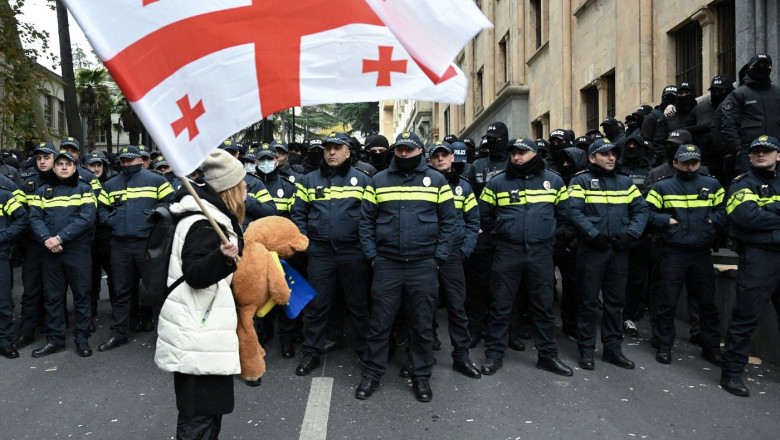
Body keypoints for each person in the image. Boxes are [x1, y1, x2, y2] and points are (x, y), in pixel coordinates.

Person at [356, 131, 457, 402]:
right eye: (399, 150)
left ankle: (421, 376)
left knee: (422, 324)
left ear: (420, 152)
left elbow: (450, 223)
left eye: (408, 150)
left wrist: (438, 257)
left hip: (423, 264)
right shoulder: (378, 181)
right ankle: (372, 374)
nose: (403, 154)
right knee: (379, 323)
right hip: (387, 263)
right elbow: (366, 222)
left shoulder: (436, 181)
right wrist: (372, 256)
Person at [155, 148, 245, 439]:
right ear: (229, 190)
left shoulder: (210, 218)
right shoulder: (205, 224)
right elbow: (195, 275)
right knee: (198, 421)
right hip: (198, 335)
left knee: (206, 416)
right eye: (242, 187)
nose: (246, 194)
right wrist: (222, 257)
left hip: (200, 333)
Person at [478, 138, 573, 377]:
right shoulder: (497, 183)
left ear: (535, 155)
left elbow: (564, 215)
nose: (516, 157)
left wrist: (547, 233)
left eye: (522, 153)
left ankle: (547, 356)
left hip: (540, 252)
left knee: (542, 306)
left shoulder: (553, 181)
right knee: (501, 305)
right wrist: (502, 232)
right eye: (514, 153)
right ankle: (494, 355)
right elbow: (484, 216)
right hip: (507, 252)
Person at [290, 132, 371, 376]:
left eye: (338, 148)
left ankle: (364, 351)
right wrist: (306, 245)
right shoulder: (308, 180)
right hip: (320, 253)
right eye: (328, 148)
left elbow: (370, 217)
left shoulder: (363, 180)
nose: (332, 152)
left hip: (353, 252)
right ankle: (311, 352)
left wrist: (366, 248)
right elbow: (298, 215)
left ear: (348, 152)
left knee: (358, 304)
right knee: (317, 305)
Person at [568, 138, 648, 370]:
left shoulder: (625, 182)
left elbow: (641, 210)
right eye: (605, 154)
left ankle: (613, 349)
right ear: (592, 158)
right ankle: (586, 350)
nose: (612, 157)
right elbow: (573, 211)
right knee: (588, 302)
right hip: (592, 251)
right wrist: (593, 234)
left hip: (618, 251)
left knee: (615, 303)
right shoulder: (580, 180)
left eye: (614, 153)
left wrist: (631, 234)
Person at [645, 144, 725, 366]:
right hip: (673, 251)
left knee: (707, 303)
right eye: (685, 162)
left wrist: (712, 221)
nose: (690, 167)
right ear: (675, 163)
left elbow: (723, 209)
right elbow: (648, 211)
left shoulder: (712, 184)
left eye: (694, 162)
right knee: (667, 301)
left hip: (701, 251)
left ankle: (710, 347)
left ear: (699, 163)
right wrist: (666, 222)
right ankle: (663, 345)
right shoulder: (663, 186)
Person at [97, 145, 175, 351]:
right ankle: (119, 333)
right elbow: (101, 209)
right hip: (120, 246)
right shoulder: (111, 184)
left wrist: (154, 218)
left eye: (130, 161)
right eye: (123, 161)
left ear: (140, 160)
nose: (125, 164)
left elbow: (171, 204)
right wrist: (110, 220)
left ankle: (164, 337)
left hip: (147, 244)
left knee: (155, 291)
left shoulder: (156, 180)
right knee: (121, 292)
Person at [720, 135, 780, 397]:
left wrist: (769, 212)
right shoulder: (741, 184)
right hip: (759, 256)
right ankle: (732, 373)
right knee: (746, 317)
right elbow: (747, 217)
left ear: (778, 155)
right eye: (756, 151)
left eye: (767, 151)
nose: (761, 155)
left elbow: (758, 215)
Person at [28, 150, 96, 358]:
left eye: (68, 164)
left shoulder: (85, 189)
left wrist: (60, 238)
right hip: (51, 251)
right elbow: (34, 218)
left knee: (82, 296)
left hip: (76, 251)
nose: (64, 167)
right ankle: (55, 340)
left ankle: (82, 339)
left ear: (75, 167)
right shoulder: (42, 190)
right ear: (54, 167)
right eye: (60, 164)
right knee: (53, 298)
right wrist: (47, 239)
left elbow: (86, 219)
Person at [427, 140, 481, 378]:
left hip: (452, 255)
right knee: (422, 306)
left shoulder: (464, 187)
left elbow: (473, 222)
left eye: (444, 155)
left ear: (452, 158)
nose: (441, 159)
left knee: (457, 307)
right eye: (436, 156)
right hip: (426, 254)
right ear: (429, 160)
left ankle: (461, 356)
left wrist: (464, 250)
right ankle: (423, 354)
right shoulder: (423, 184)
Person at [12, 142, 58, 351]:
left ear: (54, 159)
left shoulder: (66, 181)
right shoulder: (27, 184)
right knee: (30, 291)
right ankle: (27, 332)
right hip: (33, 245)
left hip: (57, 244)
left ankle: (53, 332)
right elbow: (19, 215)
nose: (42, 161)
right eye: (39, 158)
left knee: (54, 291)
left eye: (46, 157)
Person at [722, 54, 780, 175]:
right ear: (750, 67)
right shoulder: (738, 94)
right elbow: (729, 123)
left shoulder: (777, 93)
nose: (762, 68)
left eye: (765, 65)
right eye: (758, 65)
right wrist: (738, 149)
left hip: (775, 152)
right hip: (748, 153)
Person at [85, 151, 117, 331]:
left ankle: (117, 309)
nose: (96, 168)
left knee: (113, 274)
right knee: (89, 276)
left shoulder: (111, 184)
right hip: (87, 236)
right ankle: (90, 312)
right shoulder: (82, 183)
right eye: (92, 165)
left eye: (99, 165)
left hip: (106, 235)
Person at [0, 174, 28, 359]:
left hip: (0, 255)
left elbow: (22, 218)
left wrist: (4, 235)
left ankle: (5, 341)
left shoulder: (3, 195)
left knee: (3, 302)